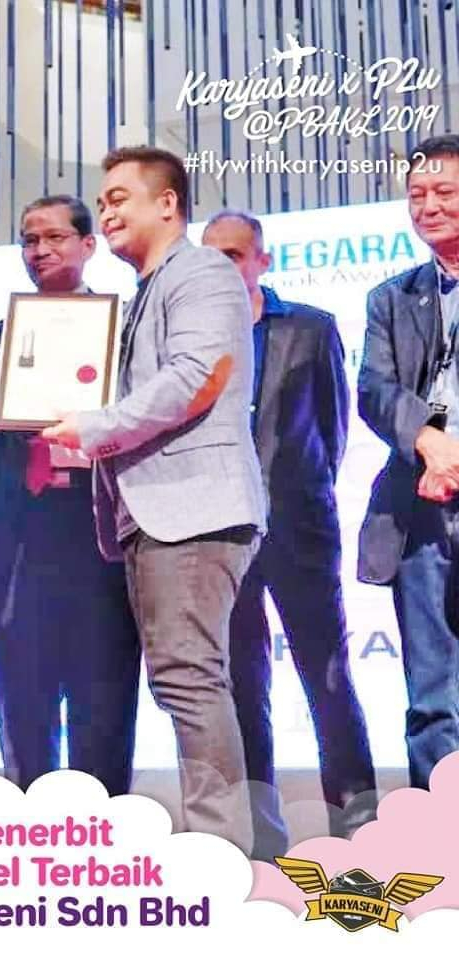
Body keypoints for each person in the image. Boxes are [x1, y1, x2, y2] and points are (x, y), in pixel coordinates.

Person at [43, 146, 265, 851]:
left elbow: (197, 376)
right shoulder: (149, 290)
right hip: (156, 513)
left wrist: (94, 427)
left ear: (168, 204)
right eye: (101, 202)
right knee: (183, 682)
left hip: (193, 509)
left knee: (191, 683)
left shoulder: (202, 271)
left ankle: (221, 855)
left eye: (118, 198)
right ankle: (219, 848)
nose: (105, 212)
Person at [202, 210, 377, 859]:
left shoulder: (312, 327)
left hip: (301, 532)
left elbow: (332, 429)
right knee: (243, 690)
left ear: (262, 261)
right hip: (222, 536)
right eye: (211, 255)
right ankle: (259, 839)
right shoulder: (192, 339)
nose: (222, 266)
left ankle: (360, 827)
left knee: (328, 680)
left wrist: (302, 497)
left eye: (234, 255)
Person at [0, 195, 140, 796]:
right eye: (29, 239)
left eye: (55, 237)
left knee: (106, 685)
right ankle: (29, 820)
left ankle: (105, 821)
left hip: (101, 526)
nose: (40, 250)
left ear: (89, 245)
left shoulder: (126, 331)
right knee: (21, 691)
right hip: (17, 530)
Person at [359, 134, 459, 790]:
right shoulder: (392, 298)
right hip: (422, 507)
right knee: (433, 696)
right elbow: (374, 388)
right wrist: (429, 440)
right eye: (417, 194)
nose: (428, 206)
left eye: (444, 192)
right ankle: (444, 831)